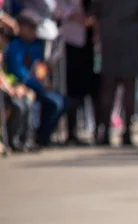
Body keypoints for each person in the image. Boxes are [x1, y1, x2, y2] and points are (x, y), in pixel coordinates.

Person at [91, 0, 138, 147]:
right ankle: (127, 132)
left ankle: (105, 132)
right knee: (129, 87)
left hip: (109, 35)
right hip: (131, 36)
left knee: (108, 87)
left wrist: (99, 34)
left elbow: (95, 13)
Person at [4, 9, 67, 147]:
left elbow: (38, 69)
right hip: (20, 85)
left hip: (36, 85)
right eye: (31, 28)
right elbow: (19, 72)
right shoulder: (15, 47)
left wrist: (47, 71)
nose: (34, 32)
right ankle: (21, 138)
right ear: (23, 27)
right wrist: (39, 86)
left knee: (60, 101)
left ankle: (42, 137)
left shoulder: (36, 46)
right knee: (38, 102)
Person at [56, 0, 100, 146]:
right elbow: (57, 9)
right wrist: (73, 15)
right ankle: (71, 132)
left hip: (92, 43)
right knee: (74, 89)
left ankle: (98, 130)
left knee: (94, 87)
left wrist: (95, 20)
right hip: (72, 41)